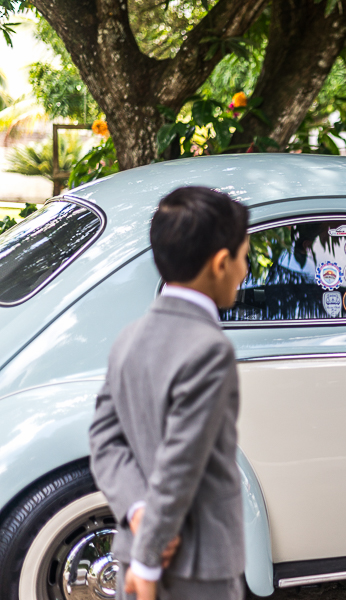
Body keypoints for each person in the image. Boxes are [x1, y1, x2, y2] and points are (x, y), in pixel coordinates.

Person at [89, 186, 249, 600]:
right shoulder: (209, 349)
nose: (245, 271)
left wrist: (139, 512)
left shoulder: (129, 337)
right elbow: (181, 462)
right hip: (193, 567)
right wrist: (148, 559)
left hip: (135, 553)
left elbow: (104, 440)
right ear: (220, 263)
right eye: (244, 257)